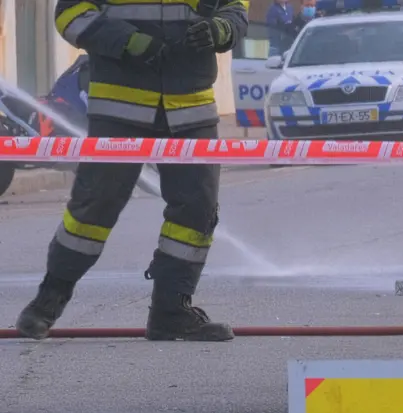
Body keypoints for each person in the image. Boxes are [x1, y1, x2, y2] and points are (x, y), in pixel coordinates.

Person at [15, 0, 248, 343]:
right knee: (94, 208)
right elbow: (70, 14)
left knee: (197, 211)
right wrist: (126, 41)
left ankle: (171, 312)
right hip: (119, 107)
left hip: (191, 107)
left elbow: (235, 9)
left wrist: (219, 30)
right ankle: (46, 303)